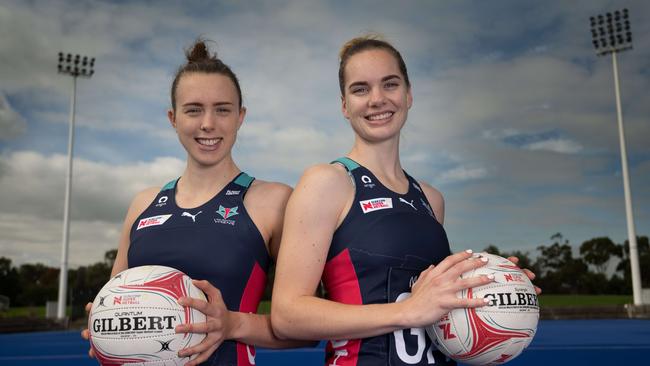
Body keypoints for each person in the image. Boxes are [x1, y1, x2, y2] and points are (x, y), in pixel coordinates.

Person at [271, 35, 540, 365]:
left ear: (408, 94)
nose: (377, 99)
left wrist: (496, 286)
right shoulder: (327, 182)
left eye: (390, 84)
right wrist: (405, 312)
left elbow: (433, 302)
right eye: (360, 89)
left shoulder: (431, 198)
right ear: (344, 105)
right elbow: (287, 315)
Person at [82, 38, 304, 366]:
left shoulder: (273, 201)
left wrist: (233, 324)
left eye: (222, 109)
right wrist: (105, 327)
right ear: (173, 118)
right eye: (193, 109)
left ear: (240, 116)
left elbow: (306, 328)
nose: (208, 124)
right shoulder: (143, 204)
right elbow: (115, 296)